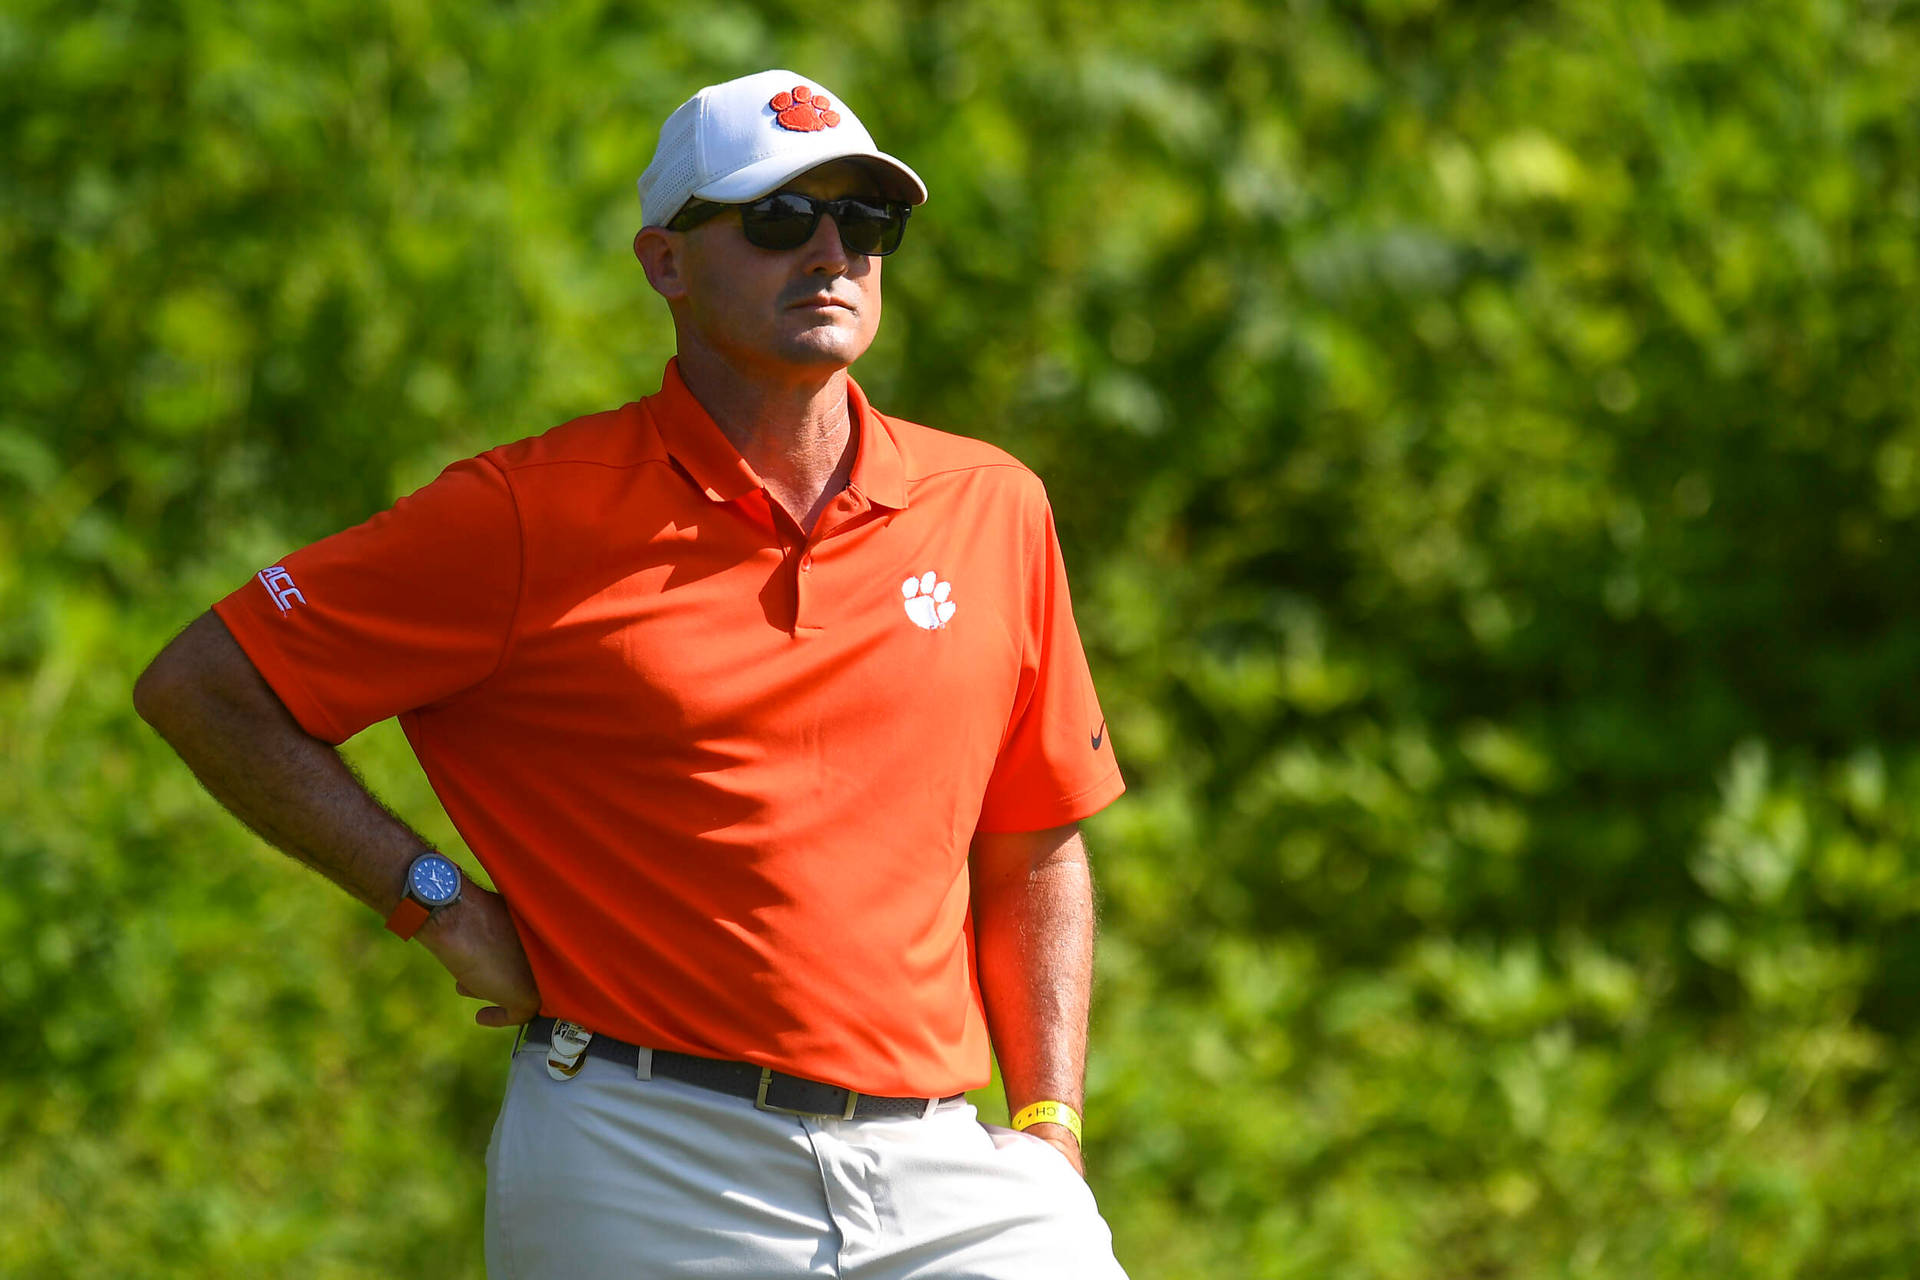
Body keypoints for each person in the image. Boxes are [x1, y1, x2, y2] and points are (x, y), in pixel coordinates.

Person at [134, 68, 1129, 1278]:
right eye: (777, 219)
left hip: (947, 1168)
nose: (831, 251)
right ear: (667, 262)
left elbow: (1037, 840)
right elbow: (207, 684)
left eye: (865, 222)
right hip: (645, 1150)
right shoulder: (523, 515)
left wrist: (1051, 1126)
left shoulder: (995, 505)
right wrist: (434, 895)